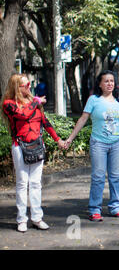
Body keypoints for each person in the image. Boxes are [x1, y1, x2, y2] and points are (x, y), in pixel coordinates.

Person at [1, 74, 65, 232]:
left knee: (36, 183)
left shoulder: (33, 103)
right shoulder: (8, 104)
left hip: (37, 145)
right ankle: (21, 219)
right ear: (17, 87)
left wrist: (58, 139)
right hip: (20, 146)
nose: (29, 87)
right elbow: (23, 115)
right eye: (26, 85)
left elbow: (44, 122)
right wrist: (35, 102)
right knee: (22, 183)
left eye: (29, 84)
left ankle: (37, 218)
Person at [64, 70, 119, 221]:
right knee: (98, 177)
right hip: (99, 143)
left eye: (112, 81)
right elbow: (82, 119)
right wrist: (70, 138)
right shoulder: (94, 100)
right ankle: (94, 209)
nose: (109, 84)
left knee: (115, 177)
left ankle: (115, 207)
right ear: (100, 84)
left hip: (117, 143)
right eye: (106, 81)